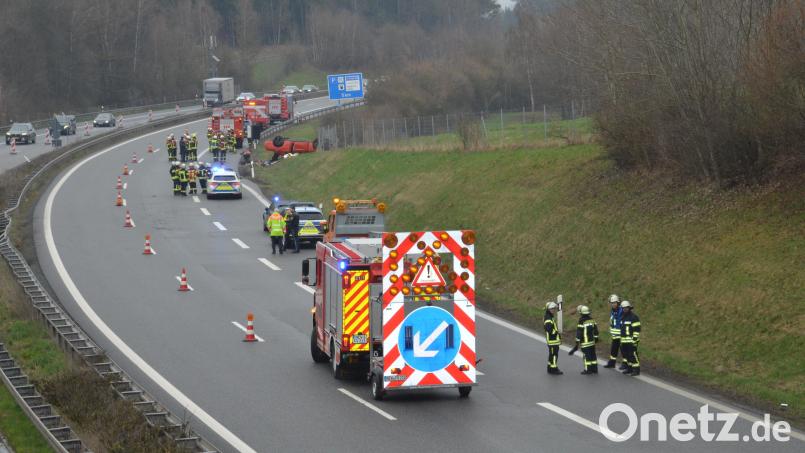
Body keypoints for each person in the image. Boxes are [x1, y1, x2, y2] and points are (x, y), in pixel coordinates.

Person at [569, 305, 599, 375]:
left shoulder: (581, 321)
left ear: (581, 313)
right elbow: (596, 330)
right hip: (592, 342)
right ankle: (594, 369)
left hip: (585, 343)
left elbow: (579, 332)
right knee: (593, 356)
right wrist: (596, 338)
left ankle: (588, 370)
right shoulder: (592, 320)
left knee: (586, 356)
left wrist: (577, 342)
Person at [619, 301, 641, 376]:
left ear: (629, 308)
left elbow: (637, 330)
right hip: (624, 341)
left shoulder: (634, 317)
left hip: (631, 341)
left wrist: (634, 340)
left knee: (633, 354)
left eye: (626, 308)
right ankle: (629, 368)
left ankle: (636, 369)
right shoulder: (622, 316)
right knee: (626, 355)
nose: (625, 309)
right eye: (623, 308)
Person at [543, 301, 563, 375]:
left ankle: (550, 368)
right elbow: (549, 330)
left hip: (553, 340)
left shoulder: (550, 317)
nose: (554, 310)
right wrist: (557, 332)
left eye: (554, 309)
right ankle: (554, 369)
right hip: (552, 341)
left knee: (552, 355)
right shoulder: (548, 318)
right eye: (552, 309)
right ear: (549, 309)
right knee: (554, 355)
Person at [605, 294, 624, 369]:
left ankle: (625, 364)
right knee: (613, 349)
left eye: (614, 303)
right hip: (615, 335)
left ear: (618, 303)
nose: (613, 305)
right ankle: (612, 363)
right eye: (611, 303)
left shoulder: (621, 310)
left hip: (622, 335)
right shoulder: (613, 311)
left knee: (624, 351)